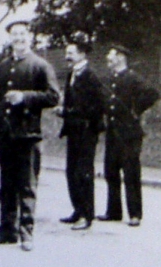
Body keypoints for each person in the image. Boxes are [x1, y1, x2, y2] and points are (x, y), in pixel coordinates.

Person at [0, 20, 60, 251]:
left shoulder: (40, 66)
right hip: (7, 135)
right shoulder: (2, 67)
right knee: (6, 186)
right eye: (14, 34)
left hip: (28, 135)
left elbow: (53, 96)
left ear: (30, 36)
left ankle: (27, 234)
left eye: (22, 33)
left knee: (26, 187)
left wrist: (25, 97)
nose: (19, 38)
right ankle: (7, 231)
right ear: (10, 39)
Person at [97, 44, 159, 227]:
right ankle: (113, 212)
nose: (108, 57)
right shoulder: (110, 79)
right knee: (111, 172)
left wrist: (136, 109)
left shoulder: (132, 78)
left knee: (131, 173)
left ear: (120, 57)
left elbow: (152, 94)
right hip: (113, 133)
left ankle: (135, 214)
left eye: (111, 54)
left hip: (129, 134)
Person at [55, 32, 105, 230]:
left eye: (71, 52)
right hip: (74, 130)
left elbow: (99, 104)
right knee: (71, 171)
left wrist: (68, 112)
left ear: (82, 54)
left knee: (84, 172)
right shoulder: (72, 75)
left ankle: (87, 214)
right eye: (67, 52)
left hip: (86, 131)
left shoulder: (90, 76)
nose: (67, 56)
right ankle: (77, 209)